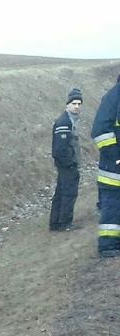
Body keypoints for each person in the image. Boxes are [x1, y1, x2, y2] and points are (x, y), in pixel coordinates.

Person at [91, 74, 120, 258]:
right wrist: (116, 156)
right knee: (112, 208)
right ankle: (108, 246)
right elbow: (99, 131)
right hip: (113, 170)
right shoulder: (113, 97)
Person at [49, 88, 83, 231]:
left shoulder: (69, 120)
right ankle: (64, 223)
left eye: (79, 104)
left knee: (61, 193)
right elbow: (60, 149)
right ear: (67, 105)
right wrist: (70, 163)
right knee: (69, 193)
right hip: (67, 165)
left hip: (65, 165)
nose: (76, 106)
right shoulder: (64, 122)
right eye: (74, 103)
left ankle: (55, 223)